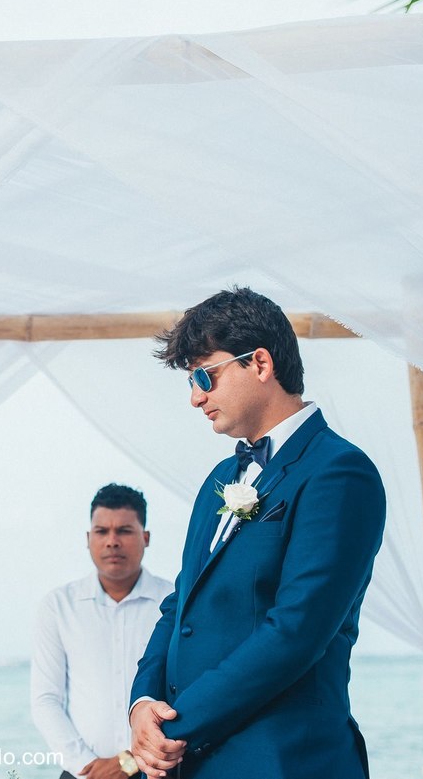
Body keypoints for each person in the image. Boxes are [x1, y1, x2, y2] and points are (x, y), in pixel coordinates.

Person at [126, 288, 386, 779]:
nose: (195, 396)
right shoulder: (218, 480)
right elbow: (179, 606)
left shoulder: (339, 473)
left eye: (205, 375)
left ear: (260, 363)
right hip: (190, 762)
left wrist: (174, 729)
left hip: (283, 761)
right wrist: (142, 704)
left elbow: (296, 632)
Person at [31, 483, 173, 779]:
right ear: (88, 539)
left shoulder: (173, 602)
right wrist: (86, 767)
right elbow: (46, 699)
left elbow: (183, 693)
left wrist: (130, 762)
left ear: (145, 538)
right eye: (101, 531)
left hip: (158, 770)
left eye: (124, 530)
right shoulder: (58, 606)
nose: (112, 541)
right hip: (83, 773)